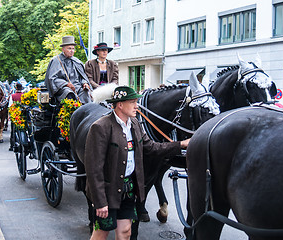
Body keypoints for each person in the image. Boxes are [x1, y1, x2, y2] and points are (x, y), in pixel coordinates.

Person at [84, 86, 190, 240]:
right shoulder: (101, 127)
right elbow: (94, 170)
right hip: (108, 193)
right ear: (120, 104)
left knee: (126, 232)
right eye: (133, 102)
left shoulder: (135, 124)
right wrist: (100, 202)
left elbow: (152, 148)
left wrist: (180, 144)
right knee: (101, 233)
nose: (137, 106)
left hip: (128, 190)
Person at [44, 35, 92, 104]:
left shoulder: (77, 61)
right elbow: (52, 79)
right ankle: (70, 111)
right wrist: (66, 84)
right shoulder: (56, 61)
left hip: (78, 88)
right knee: (68, 93)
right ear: (63, 49)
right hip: (63, 89)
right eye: (69, 48)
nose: (72, 51)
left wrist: (84, 83)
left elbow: (82, 77)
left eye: (73, 49)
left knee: (86, 92)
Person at [8, 82, 24, 151]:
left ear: (16, 88)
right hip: (23, 115)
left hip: (15, 115)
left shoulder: (12, 96)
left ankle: (12, 145)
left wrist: (9, 115)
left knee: (13, 131)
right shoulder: (24, 95)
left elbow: (10, 106)